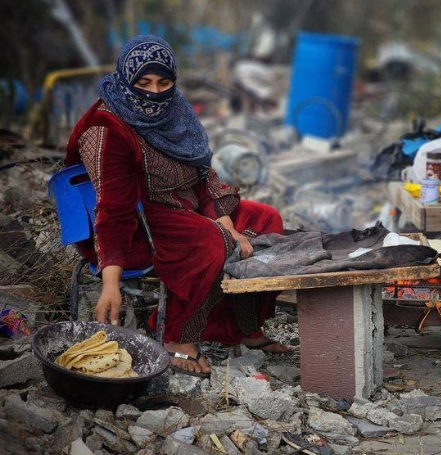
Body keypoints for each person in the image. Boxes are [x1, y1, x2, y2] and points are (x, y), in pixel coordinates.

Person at [65, 35, 289, 378]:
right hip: (140, 223)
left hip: (188, 209)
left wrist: (225, 220)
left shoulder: (175, 110)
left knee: (265, 218)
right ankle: (176, 337)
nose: (155, 93)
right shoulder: (106, 127)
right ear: (127, 80)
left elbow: (203, 173)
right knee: (214, 242)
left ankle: (244, 328)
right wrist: (110, 282)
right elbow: (113, 210)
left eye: (164, 82)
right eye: (144, 83)